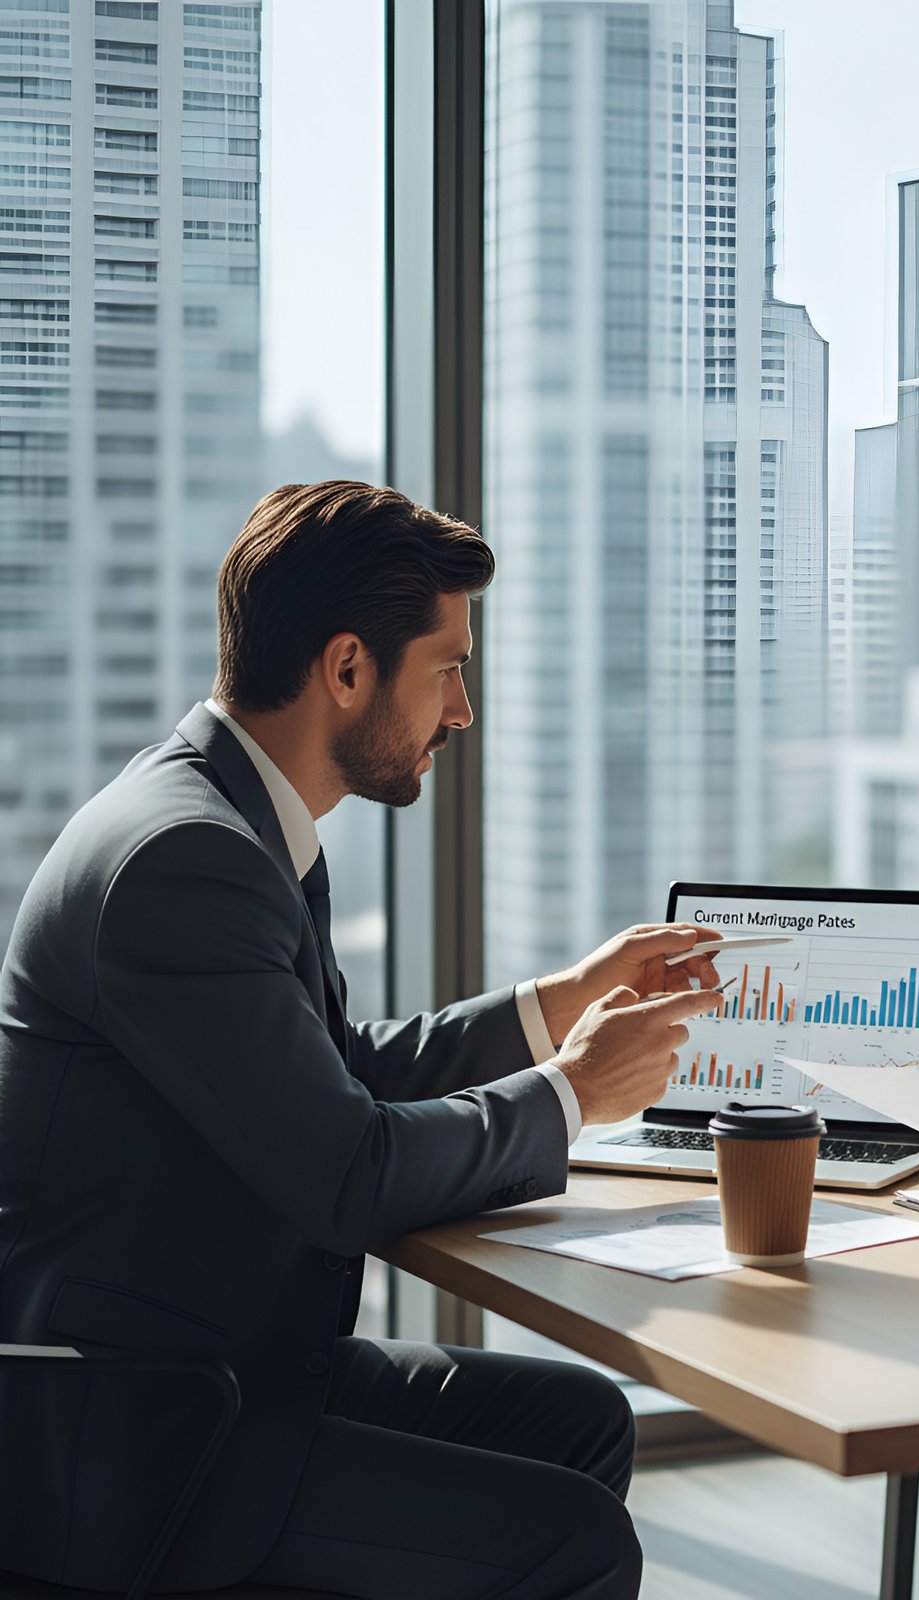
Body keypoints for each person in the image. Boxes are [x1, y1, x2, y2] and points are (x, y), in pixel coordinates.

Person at [0, 481, 726, 1600]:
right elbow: (348, 1172)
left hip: (229, 1365)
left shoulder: (238, 822)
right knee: (571, 1539)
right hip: (134, 1431)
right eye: (448, 668)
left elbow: (332, 1073)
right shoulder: (182, 859)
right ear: (347, 669)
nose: (463, 710)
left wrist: (560, 1001)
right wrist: (572, 1093)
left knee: (575, 1420)